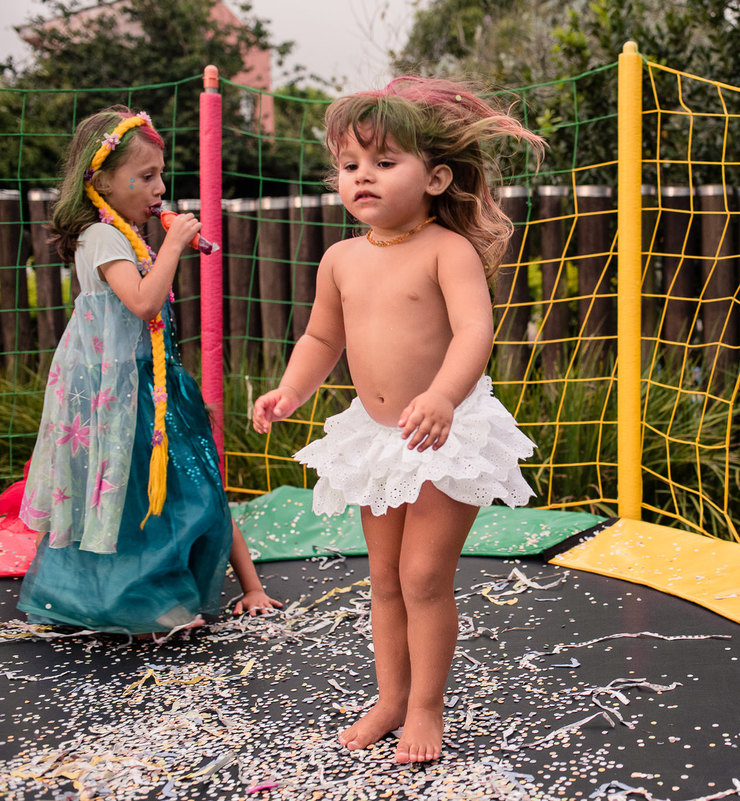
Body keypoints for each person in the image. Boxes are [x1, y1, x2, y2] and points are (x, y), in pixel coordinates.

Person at [252, 77, 543, 764]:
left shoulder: (447, 249)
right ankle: (390, 698)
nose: (363, 176)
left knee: (422, 578)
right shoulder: (341, 259)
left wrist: (443, 395)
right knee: (383, 580)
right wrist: (290, 391)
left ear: (436, 177)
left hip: (445, 433)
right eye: (350, 164)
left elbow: (474, 331)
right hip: (378, 439)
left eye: (384, 162)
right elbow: (322, 338)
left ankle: (425, 708)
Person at [18, 107, 280, 636]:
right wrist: (175, 245)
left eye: (161, 174)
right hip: (119, 392)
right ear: (101, 182)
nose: (160, 187)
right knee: (132, 497)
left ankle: (248, 585)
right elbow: (142, 302)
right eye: (146, 176)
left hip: (153, 385)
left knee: (200, 480)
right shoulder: (101, 237)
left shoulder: (128, 236)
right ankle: (134, 600)